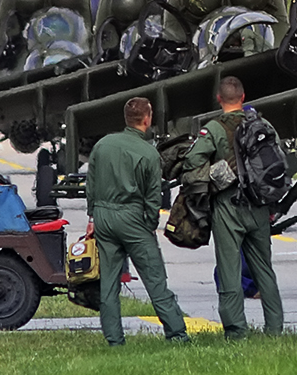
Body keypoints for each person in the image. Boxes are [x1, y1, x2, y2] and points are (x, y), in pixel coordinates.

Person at [182, 76, 283, 340]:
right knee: (264, 269)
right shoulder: (263, 125)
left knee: (229, 270)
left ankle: (237, 331)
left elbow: (192, 160)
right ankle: (275, 329)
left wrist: (216, 173)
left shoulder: (213, 129)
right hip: (259, 205)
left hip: (228, 205)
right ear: (243, 97)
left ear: (218, 99)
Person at [86, 96, 189, 346]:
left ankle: (114, 339)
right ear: (147, 118)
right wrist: (150, 223)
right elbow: (153, 197)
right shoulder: (148, 153)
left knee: (109, 282)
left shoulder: (102, 145)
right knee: (155, 279)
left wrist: (93, 217)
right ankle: (177, 334)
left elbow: (91, 184)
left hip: (103, 216)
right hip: (132, 218)